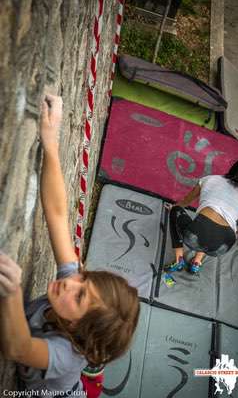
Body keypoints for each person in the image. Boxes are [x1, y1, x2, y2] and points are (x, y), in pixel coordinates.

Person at [0, 95, 140, 397]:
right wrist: (51, 140)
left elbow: (18, 347)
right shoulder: (72, 286)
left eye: (80, 297)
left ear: (77, 330)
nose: (71, 283)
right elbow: (58, 215)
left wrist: (12, 291)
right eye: (84, 280)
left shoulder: (66, 354)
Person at [165, 159, 238, 274]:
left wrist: (174, 207)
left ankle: (179, 260)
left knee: (177, 211)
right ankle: (196, 263)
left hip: (196, 235)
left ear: (232, 168)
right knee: (210, 234)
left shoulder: (210, 179)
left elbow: (186, 201)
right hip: (222, 247)